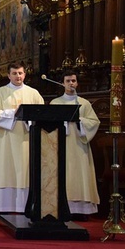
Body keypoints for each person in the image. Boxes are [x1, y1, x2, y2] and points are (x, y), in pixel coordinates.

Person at [0, 61, 44, 214]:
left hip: (26, 140)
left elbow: (42, 114)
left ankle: (26, 207)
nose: (18, 76)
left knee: (24, 170)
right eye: (14, 73)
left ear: (24, 74)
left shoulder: (34, 93)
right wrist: (14, 113)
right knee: (5, 170)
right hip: (5, 140)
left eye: (20, 73)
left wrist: (26, 116)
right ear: (8, 75)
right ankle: (2, 207)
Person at [49, 70, 101, 217]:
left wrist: (80, 121)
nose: (71, 83)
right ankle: (60, 207)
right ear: (62, 83)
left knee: (80, 174)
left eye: (73, 81)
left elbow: (94, 122)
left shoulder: (84, 103)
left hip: (79, 144)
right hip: (61, 144)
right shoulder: (56, 103)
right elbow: (50, 124)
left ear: (77, 83)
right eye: (68, 81)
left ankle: (81, 210)